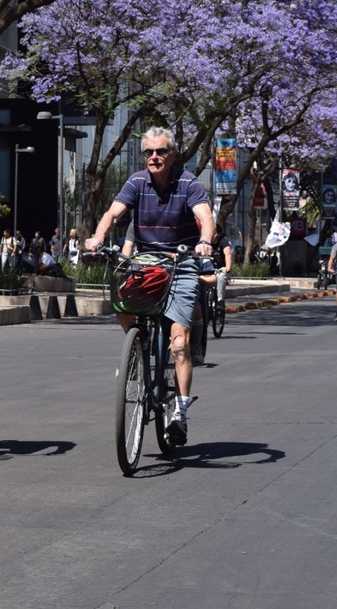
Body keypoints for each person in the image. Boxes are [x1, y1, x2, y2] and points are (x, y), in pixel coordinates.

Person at [84, 126, 214, 445]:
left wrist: (205, 241)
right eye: (148, 153)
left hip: (181, 262)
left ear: (173, 155)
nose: (154, 157)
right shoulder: (136, 182)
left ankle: (180, 413)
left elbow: (205, 216)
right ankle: (137, 349)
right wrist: (98, 237)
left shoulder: (188, 183)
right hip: (146, 261)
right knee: (120, 299)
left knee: (179, 344)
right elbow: (113, 213)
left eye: (160, 152)